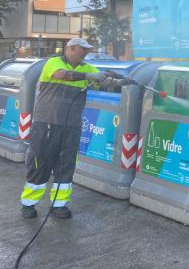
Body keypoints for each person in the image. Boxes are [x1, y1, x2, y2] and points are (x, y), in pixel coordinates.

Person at [20, 38, 124, 219]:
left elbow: (103, 79)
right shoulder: (54, 63)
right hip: (47, 123)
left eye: (87, 50)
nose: (85, 53)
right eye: (82, 50)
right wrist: (90, 77)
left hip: (72, 125)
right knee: (40, 162)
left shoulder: (87, 67)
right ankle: (29, 204)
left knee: (66, 164)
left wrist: (120, 80)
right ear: (70, 48)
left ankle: (59, 205)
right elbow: (62, 75)